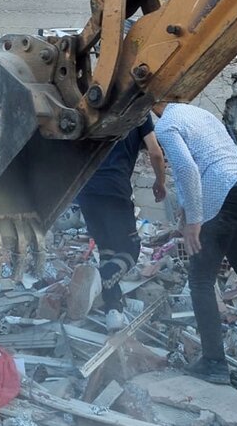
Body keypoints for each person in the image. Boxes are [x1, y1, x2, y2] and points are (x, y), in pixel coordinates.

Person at [157, 103, 237, 384]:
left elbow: (187, 168)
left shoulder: (166, 124)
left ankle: (214, 363)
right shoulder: (200, 113)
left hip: (223, 193)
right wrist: (187, 207)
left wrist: (194, 221)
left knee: (200, 278)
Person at [76, 116, 167, 330]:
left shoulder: (95, 107)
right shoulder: (140, 113)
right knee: (130, 249)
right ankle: (98, 279)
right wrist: (160, 181)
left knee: (108, 252)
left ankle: (113, 313)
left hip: (86, 188)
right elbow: (155, 151)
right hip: (114, 188)